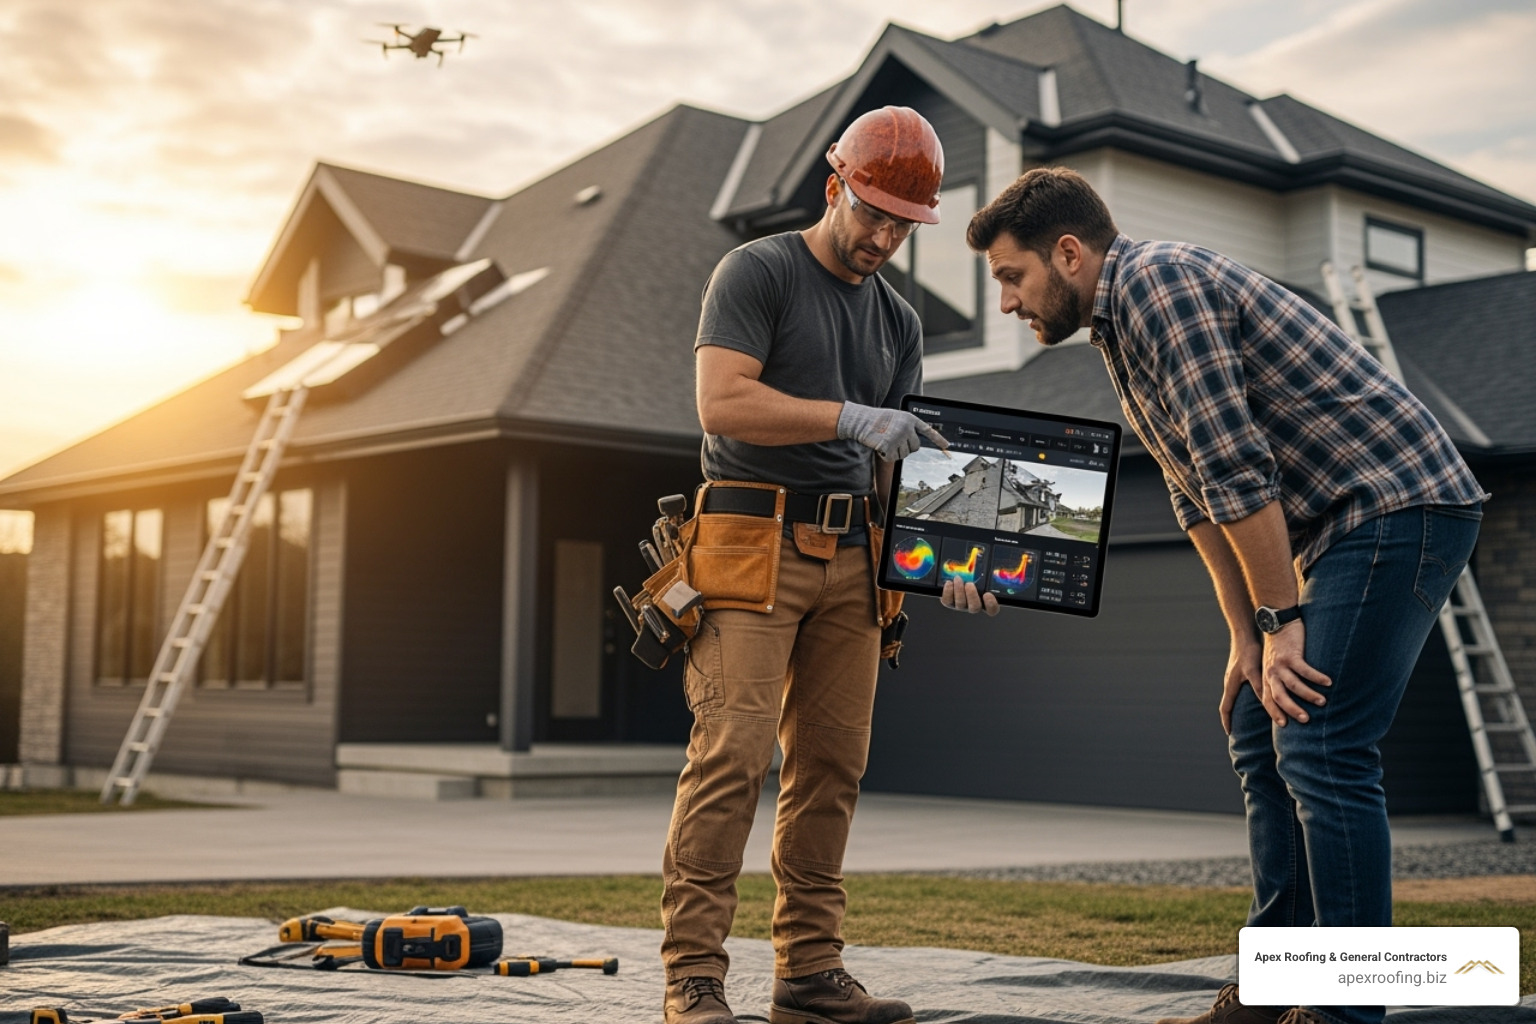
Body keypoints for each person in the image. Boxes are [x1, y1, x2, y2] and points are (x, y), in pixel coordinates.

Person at [963, 167, 1486, 1024]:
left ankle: (1344, 1009)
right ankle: (1276, 983)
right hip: (1344, 524)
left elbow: (1239, 471)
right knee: (1258, 717)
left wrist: (1283, 621)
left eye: (1011, 278)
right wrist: (1249, 637)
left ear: (1068, 253)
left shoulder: (1162, 287)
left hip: (1401, 504)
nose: (1008, 303)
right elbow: (1196, 497)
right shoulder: (1116, 331)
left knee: (1324, 747)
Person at [660, 106, 948, 1024]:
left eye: (904, 225)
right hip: (749, 547)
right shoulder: (758, 271)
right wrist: (847, 416)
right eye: (872, 214)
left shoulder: (899, 322)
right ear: (835, 188)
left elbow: (904, 468)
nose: (884, 237)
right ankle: (694, 976)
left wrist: (957, 562)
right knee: (732, 757)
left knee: (832, 766)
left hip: (857, 557)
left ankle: (810, 973)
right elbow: (722, 402)